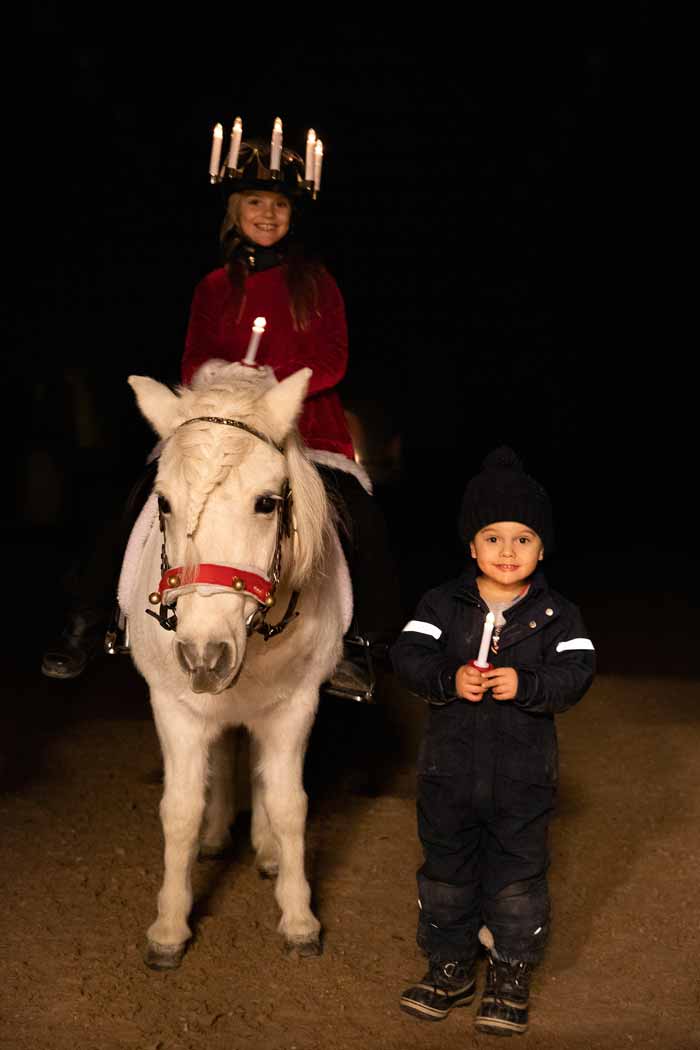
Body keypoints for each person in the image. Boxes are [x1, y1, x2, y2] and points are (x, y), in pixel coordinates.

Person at [42, 130, 398, 699]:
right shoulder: (213, 287)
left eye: (279, 205)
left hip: (304, 429)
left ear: (292, 217)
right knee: (138, 498)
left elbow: (333, 361)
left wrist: (271, 385)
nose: (268, 213)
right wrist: (226, 383)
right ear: (236, 211)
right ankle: (90, 621)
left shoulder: (318, 284)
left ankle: (360, 644)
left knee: (358, 516)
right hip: (216, 425)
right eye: (256, 202)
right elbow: (193, 358)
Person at [390, 447, 595, 1037]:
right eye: (493, 537)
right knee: (446, 875)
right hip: (447, 775)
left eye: (524, 538)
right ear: (471, 546)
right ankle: (449, 966)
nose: (508, 551)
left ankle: (509, 972)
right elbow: (408, 654)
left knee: (516, 880)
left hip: (523, 780)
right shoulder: (441, 604)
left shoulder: (558, 614)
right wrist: (446, 677)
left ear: (542, 546)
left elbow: (578, 673)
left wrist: (526, 683)